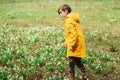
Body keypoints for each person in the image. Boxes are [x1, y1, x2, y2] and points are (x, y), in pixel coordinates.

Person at [58, 4, 90, 80]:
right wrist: (66, 43)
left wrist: (71, 44)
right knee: (77, 60)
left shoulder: (68, 21)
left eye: (60, 12)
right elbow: (70, 34)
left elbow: (73, 34)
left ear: (65, 11)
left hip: (74, 44)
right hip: (77, 42)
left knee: (71, 60)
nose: (60, 14)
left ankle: (72, 77)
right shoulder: (71, 19)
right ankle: (85, 75)